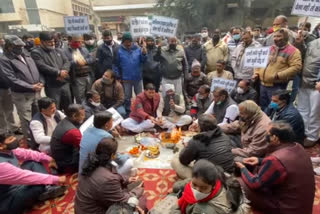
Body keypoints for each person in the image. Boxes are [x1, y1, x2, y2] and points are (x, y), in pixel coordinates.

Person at [236, 122, 315, 214]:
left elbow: (255, 183)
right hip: (302, 205)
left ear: (275, 138)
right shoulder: (298, 147)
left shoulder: (276, 160)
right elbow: (286, 165)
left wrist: (243, 169)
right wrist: (260, 160)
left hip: (286, 208)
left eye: (267, 134)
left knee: (238, 183)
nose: (265, 136)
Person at [75, 138, 147, 214]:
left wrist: (127, 179)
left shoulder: (92, 163)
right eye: (116, 153)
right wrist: (137, 191)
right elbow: (123, 201)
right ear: (112, 155)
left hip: (85, 207)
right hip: (94, 211)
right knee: (141, 200)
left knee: (128, 187)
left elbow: (115, 176)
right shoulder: (108, 179)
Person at [0, 133, 67, 214]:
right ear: (1, 146)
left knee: (33, 162)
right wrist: (56, 179)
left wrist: (49, 159)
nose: (15, 140)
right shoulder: (1, 165)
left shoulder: (9, 150)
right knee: (36, 184)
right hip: (7, 199)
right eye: (10, 139)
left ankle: (46, 189)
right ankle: (44, 190)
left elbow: (30, 154)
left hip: (16, 184)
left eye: (13, 137)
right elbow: (26, 177)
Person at [0, 35, 43, 138]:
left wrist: (40, 82)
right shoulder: (4, 59)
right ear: (9, 47)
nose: (20, 48)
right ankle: (29, 141)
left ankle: (38, 137)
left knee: (37, 116)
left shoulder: (26, 54)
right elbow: (11, 79)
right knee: (26, 119)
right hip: (21, 94)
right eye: (17, 46)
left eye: (21, 46)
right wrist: (30, 86)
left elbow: (36, 69)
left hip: (35, 91)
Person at [170, 159, 249, 214]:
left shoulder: (203, 210)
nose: (197, 190)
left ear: (213, 186)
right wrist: (178, 186)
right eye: (194, 185)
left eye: (203, 188)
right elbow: (191, 181)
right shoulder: (218, 177)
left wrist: (176, 207)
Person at [172, 114, 234, 179]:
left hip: (211, 180)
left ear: (199, 127)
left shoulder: (196, 140)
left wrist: (187, 147)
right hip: (228, 175)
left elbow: (183, 160)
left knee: (175, 160)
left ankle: (192, 182)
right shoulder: (225, 136)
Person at [253, 28, 302, 110]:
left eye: (279, 36)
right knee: (263, 107)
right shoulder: (270, 48)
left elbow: (296, 67)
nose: (276, 38)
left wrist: (279, 75)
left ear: (286, 37)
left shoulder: (293, 51)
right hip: (263, 85)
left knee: (275, 109)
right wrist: (256, 73)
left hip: (277, 86)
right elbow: (259, 61)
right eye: (274, 36)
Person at [31, 32, 72, 112]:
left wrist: (64, 71)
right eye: (49, 42)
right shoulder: (36, 52)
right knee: (55, 108)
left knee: (69, 107)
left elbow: (67, 62)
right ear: (42, 42)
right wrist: (58, 72)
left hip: (64, 83)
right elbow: (42, 66)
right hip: (52, 85)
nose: (52, 43)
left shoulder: (59, 50)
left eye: (53, 41)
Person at [116, 32, 147, 113]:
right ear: (123, 41)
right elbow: (116, 64)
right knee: (127, 96)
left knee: (139, 95)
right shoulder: (119, 51)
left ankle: (140, 109)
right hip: (126, 79)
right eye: (126, 41)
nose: (128, 43)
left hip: (137, 78)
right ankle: (128, 110)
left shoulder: (138, 49)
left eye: (129, 41)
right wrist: (118, 76)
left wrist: (144, 54)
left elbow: (143, 61)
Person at [297, 38, 320, 147]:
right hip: (304, 81)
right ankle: (304, 132)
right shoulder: (312, 42)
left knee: (315, 112)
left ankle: (312, 136)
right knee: (302, 109)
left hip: (316, 84)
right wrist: (300, 43)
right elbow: (302, 55)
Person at [50, 104, 85, 174]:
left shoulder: (65, 120)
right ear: (74, 116)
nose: (84, 117)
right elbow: (83, 148)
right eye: (82, 115)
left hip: (59, 155)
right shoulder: (73, 132)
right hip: (66, 162)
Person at [64, 34, 95, 104]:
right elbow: (66, 63)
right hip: (77, 78)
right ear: (70, 41)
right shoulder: (65, 51)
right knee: (80, 98)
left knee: (90, 95)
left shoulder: (84, 49)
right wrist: (76, 62)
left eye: (81, 42)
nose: (79, 43)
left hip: (88, 76)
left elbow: (91, 59)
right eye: (77, 42)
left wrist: (85, 61)